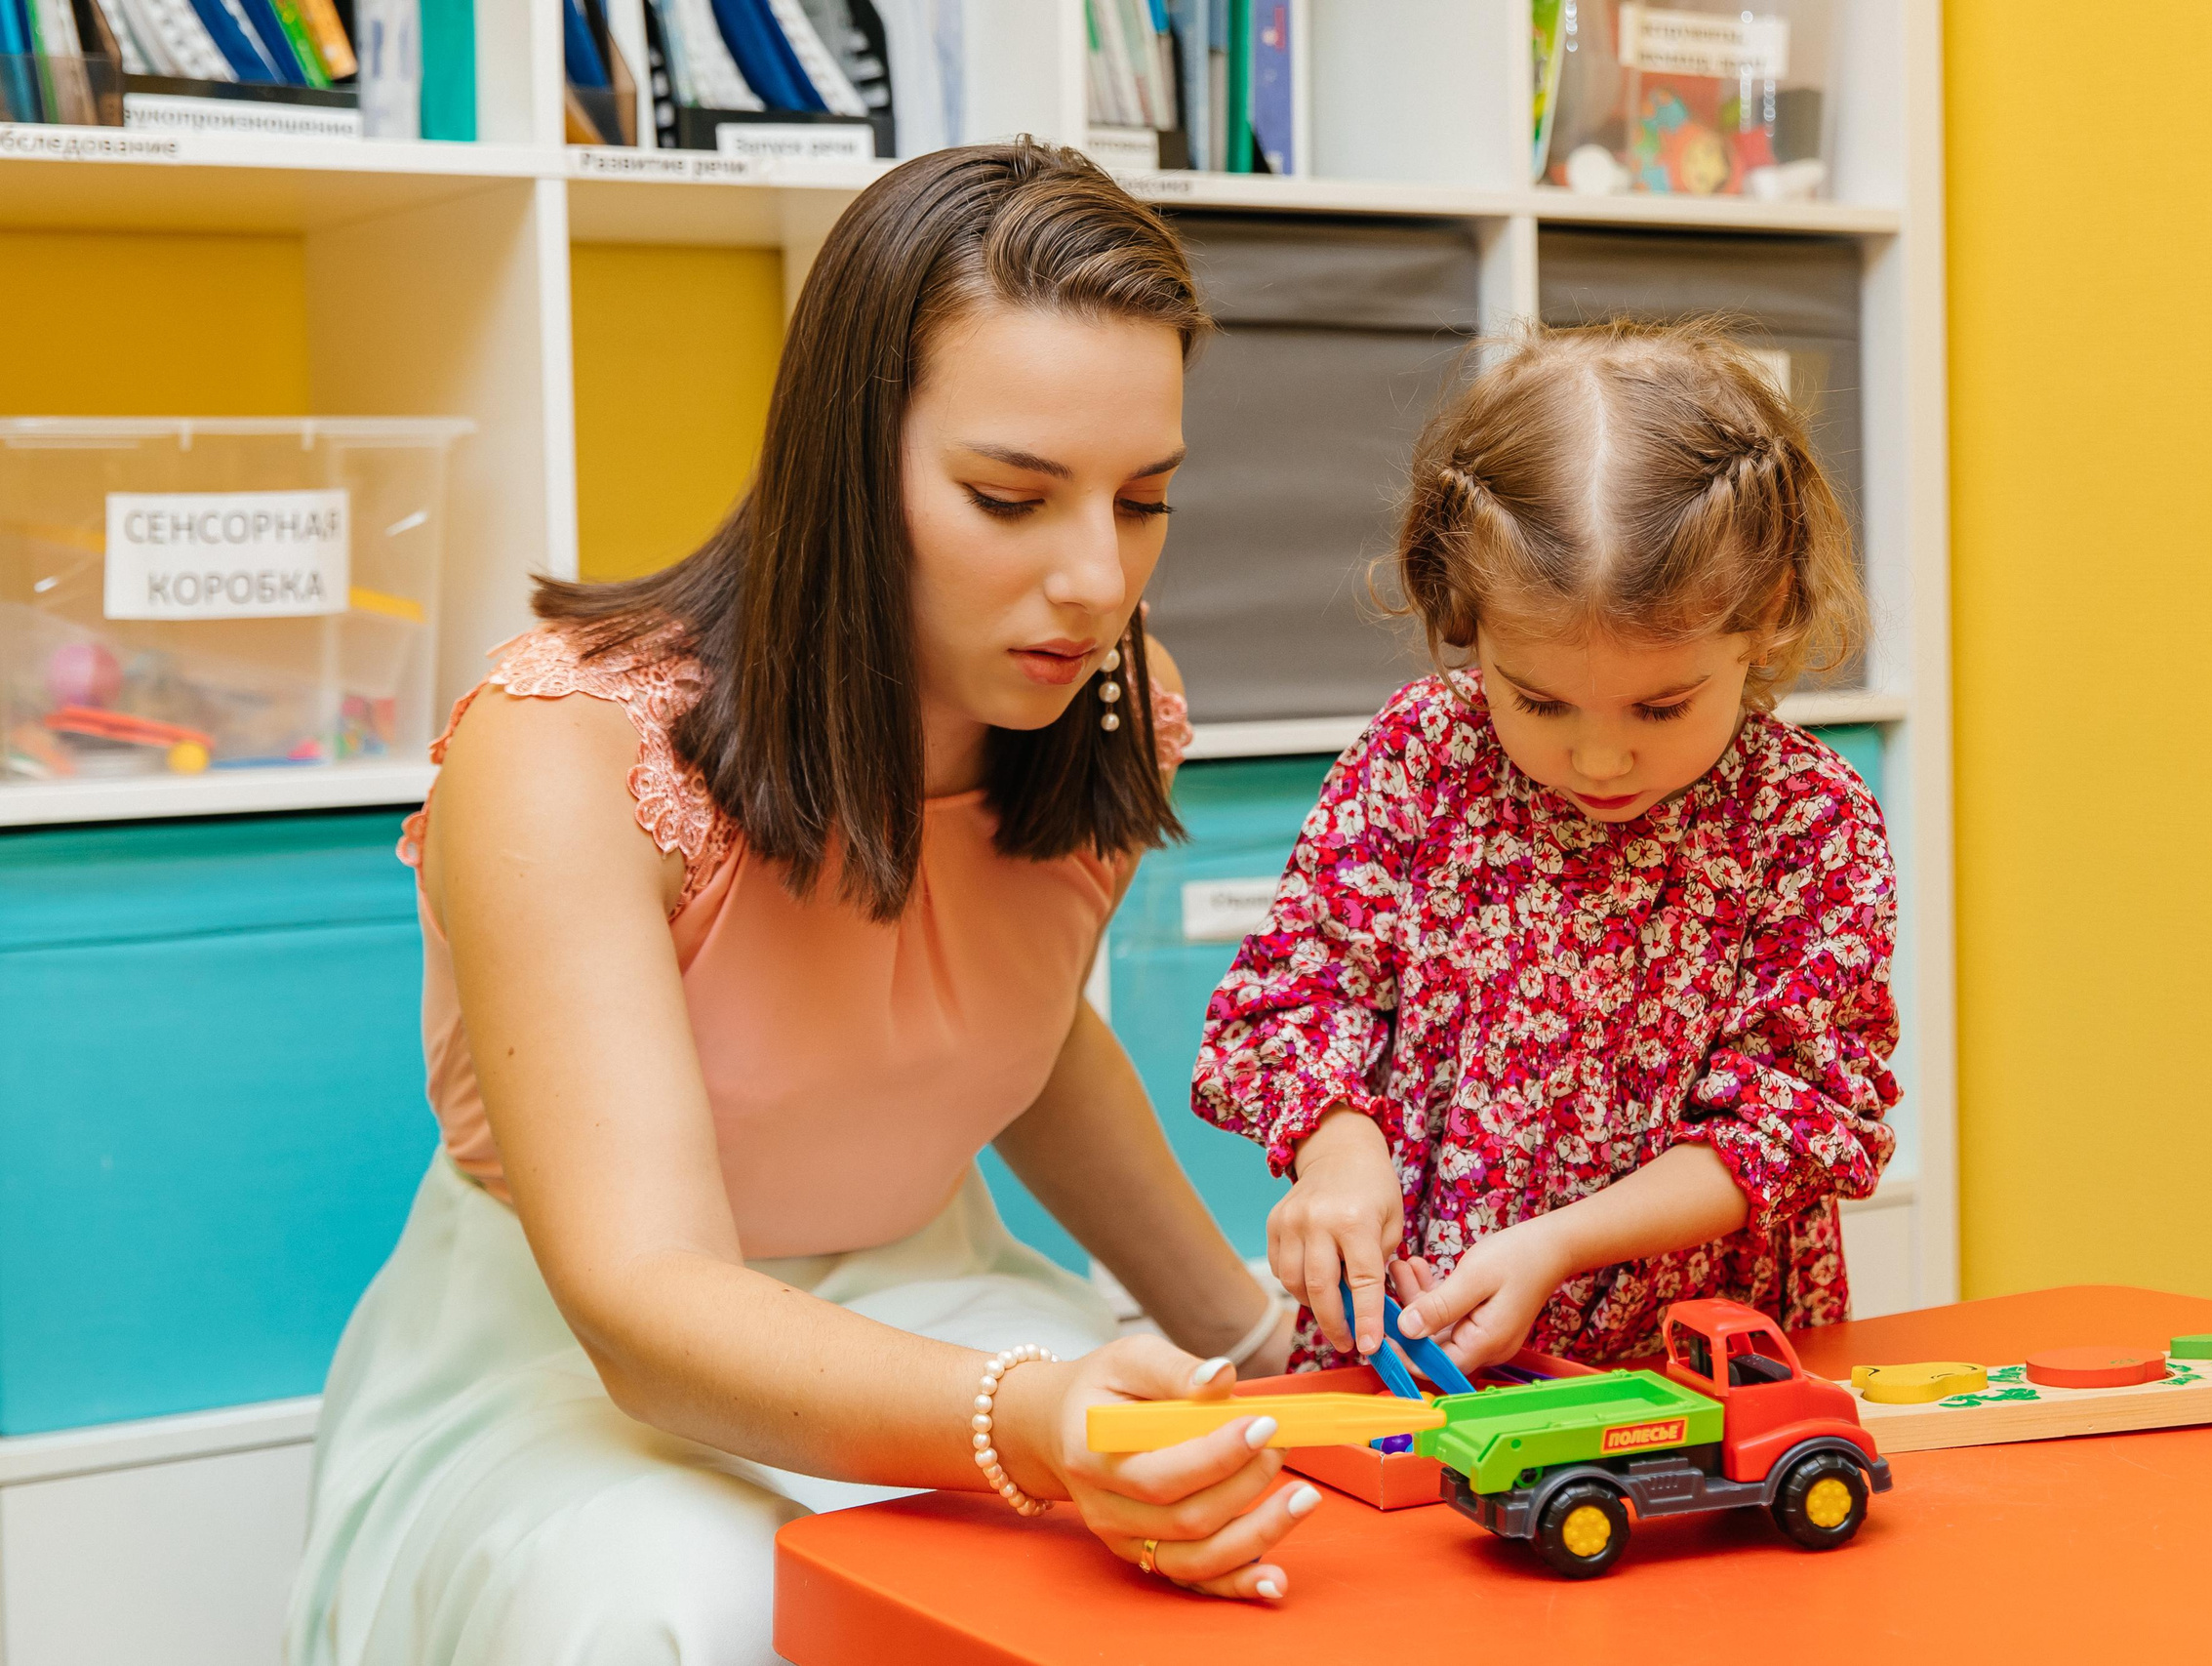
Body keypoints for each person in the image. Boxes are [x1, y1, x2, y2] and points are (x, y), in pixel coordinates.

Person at [287, 142, 1317, 1666]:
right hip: (570, 1365)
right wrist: (1036, 1416)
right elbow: (643, 1307)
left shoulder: (1106, 704)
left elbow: (1016, 1035)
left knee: (1188, 1539)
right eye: (1011, 497)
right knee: (703, 1596)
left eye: (1146, 497)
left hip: (939, 1300)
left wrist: (1270, 1340)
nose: (1097, 580)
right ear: (848, 460)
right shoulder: (565, 746)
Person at [1193, 319, 1900, 1374]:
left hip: (1700, 1366)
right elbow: (1300, 997)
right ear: (1465, 616)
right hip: (1426, 1351)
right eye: (1538, 700)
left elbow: (1789, 1117)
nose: (1600, 757)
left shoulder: (1806, 819)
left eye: (1661, 707)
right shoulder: (1423, 757)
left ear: (1771, 614)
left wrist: (1558, 1245)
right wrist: (1336, 1152)